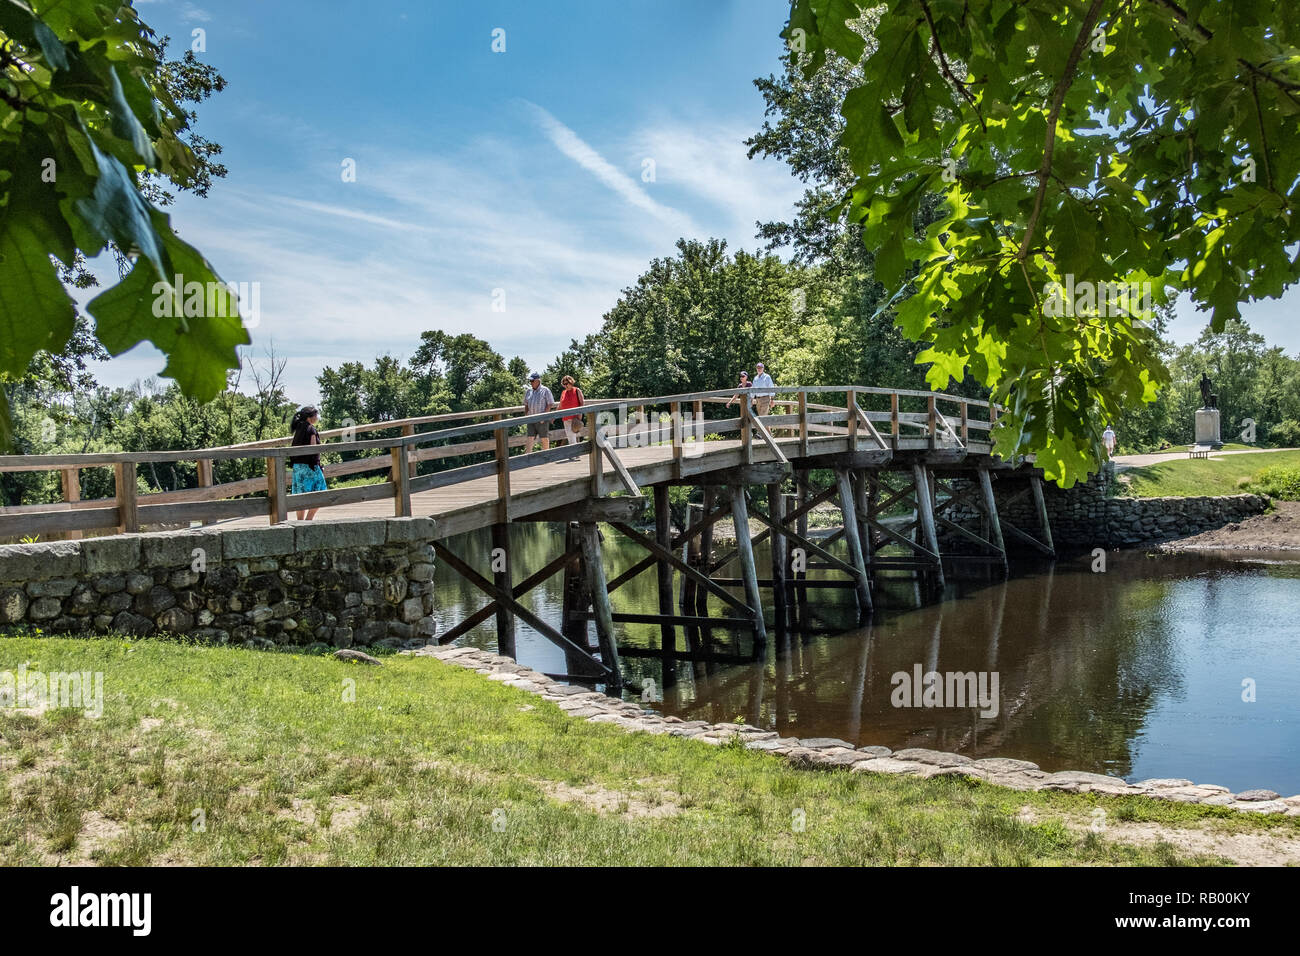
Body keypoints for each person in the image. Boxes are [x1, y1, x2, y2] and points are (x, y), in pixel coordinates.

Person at [289, 406, 326, 520]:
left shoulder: (299, 428)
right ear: (310, 417)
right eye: (315, 415)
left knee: (301, 496)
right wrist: (319, 466)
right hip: (310, 467)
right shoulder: (311, 429)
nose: (317, 417)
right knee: (321, 492)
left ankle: (300, 522)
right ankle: (309, 520)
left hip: (298, 468)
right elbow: (313, 450)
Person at [524, 372, 556, 452]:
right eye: (530, 381)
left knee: (544, 438)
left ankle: (546, 456)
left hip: (542, 419)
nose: (531, 383)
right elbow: (526, 404)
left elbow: (550, 404)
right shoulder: (528, 391)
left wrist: (544, 416)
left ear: (538, 381)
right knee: (529, 438)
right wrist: (526, 414)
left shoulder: (545, 390)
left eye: (532, 381)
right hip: (531, 418)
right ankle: (527, 458)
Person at [558, 375, 585, 451]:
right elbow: (560, 405)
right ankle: (575, 452)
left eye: (567, 383)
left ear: (571, 382)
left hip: (575, 417)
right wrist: (553, 416)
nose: (566, 385)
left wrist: (580, 414)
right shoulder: (563, 392)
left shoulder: (577, 390)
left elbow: (582, 403)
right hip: (565, 418)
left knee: (572, 436)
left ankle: (574, 453)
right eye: (564, 384)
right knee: (570, 436)